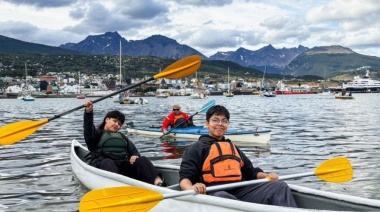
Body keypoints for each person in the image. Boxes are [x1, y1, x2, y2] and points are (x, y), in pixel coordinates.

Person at [179, 105, 297, 207]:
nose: (220, 124)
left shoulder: (233, 148)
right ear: (207, 123)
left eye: (224, 121)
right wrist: (192, 189)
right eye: (215, 120)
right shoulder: (196, 148)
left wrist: (267, 175)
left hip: (240, 191)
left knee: (279, 186)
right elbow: (185, 179)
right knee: (222, 197)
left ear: (228, 124)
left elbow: (251, 172)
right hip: (213, 193)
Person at [83, 99, 167, 187]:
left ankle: (159, 184)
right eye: (114, 121)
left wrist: (135, 155)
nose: (117, 125)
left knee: (143, 159)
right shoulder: (96, 134)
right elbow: (88, 129)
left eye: (119, 124)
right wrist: (88, 113)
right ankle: (117, 189)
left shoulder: (122, 137)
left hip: (122, 168)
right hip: (104, 167)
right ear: (107, 119)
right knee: (107, 162)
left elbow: (134, 151)